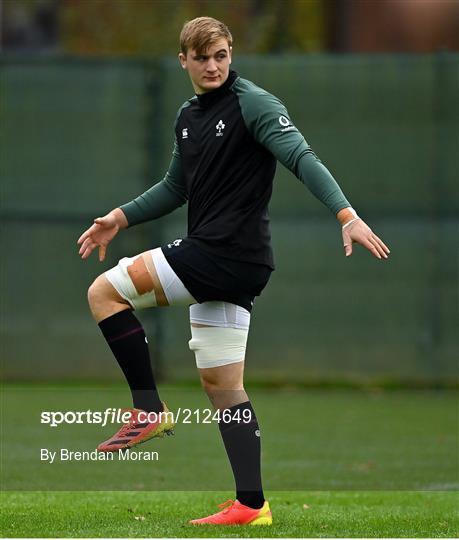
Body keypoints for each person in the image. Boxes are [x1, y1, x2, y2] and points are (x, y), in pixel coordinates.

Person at [77, 16, 390, 526]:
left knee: (104, 292)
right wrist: (119, 217)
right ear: (184, 60)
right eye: (201, 57)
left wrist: (346, 215)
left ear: (230, 53)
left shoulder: (255, 103)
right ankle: (252, 505)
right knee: (223, 387)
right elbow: (175, 187)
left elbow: (301, 157)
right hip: (229, 264)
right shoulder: (187, 116)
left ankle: (147, 409)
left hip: (226, 254)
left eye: (220, 55)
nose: (213, 65)